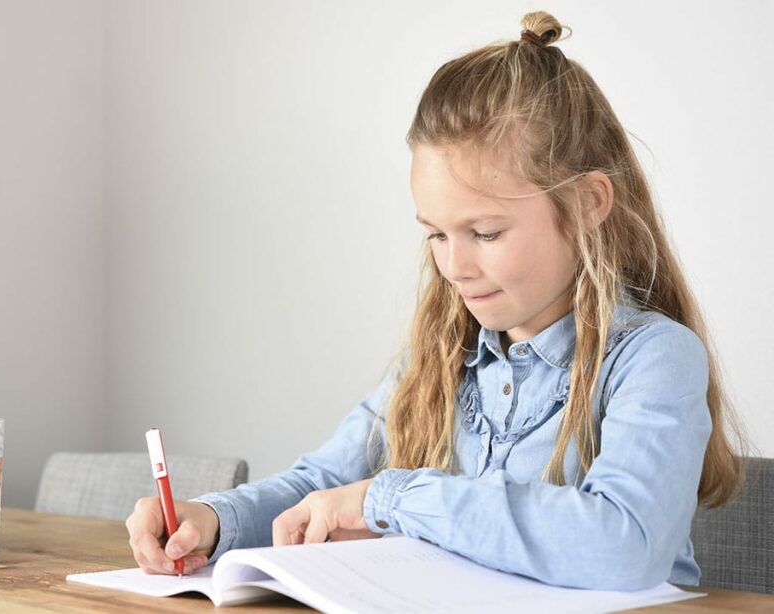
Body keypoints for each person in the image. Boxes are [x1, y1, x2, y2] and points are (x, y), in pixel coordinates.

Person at [124, 10, 749, 590]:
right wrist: (212, 518)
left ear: (587, 204)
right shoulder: (440, 359)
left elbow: (622, 544)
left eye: (485, 233)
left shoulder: (655, 358)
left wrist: (389, 498)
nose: (454, 266)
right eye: (436, 235)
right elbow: (322, 484)